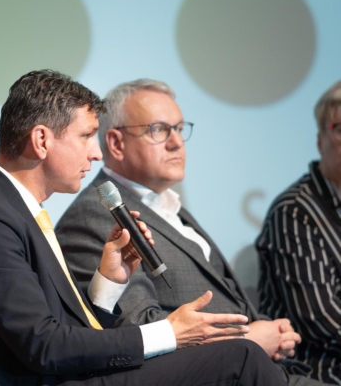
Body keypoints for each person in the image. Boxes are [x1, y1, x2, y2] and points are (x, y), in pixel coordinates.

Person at [0, 70, 286, 386]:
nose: (96, 154)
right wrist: (169, 332)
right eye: (86, 136)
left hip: (64, 376)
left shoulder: (14, 211)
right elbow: (44, 345)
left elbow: (63, 333)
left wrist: (108, 281)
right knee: (241, 358)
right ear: (42, 140)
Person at [55, 78, 323, 386]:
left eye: (180, 129)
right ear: (116, 143)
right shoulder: (97, 215)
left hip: (270, 369)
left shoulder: (167, 204)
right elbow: (136, 328)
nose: (176, 143)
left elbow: (227, 299)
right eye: (159, 129)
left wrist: (272, 331)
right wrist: (249, 338)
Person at [255, 80, 341, 385]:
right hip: (319, 369)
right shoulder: (295, 211)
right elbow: (321, 320)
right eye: (340, 128)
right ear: (320, 141)